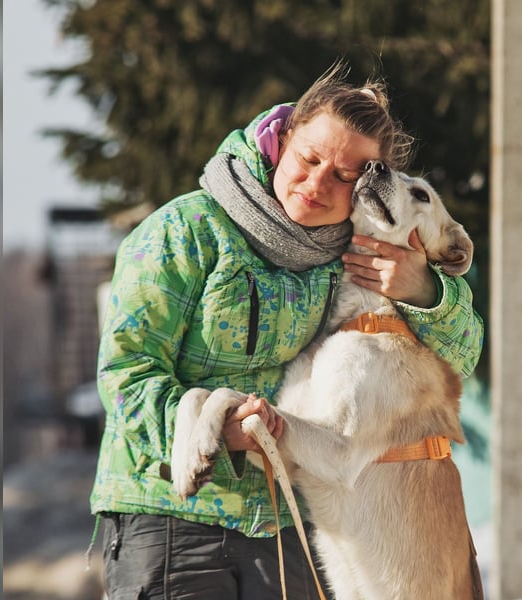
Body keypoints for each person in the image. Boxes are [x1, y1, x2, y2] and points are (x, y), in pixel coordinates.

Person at [90, 62, 484, 600]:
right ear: (284, 136)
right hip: (170, 520)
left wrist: (424, 289)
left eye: (345, 175)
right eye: (310, 158)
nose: (320, 182)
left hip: (283, 532)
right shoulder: (184, 231)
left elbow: (463, 350)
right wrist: (204, 435)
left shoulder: (353, 251)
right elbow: (124, 373)